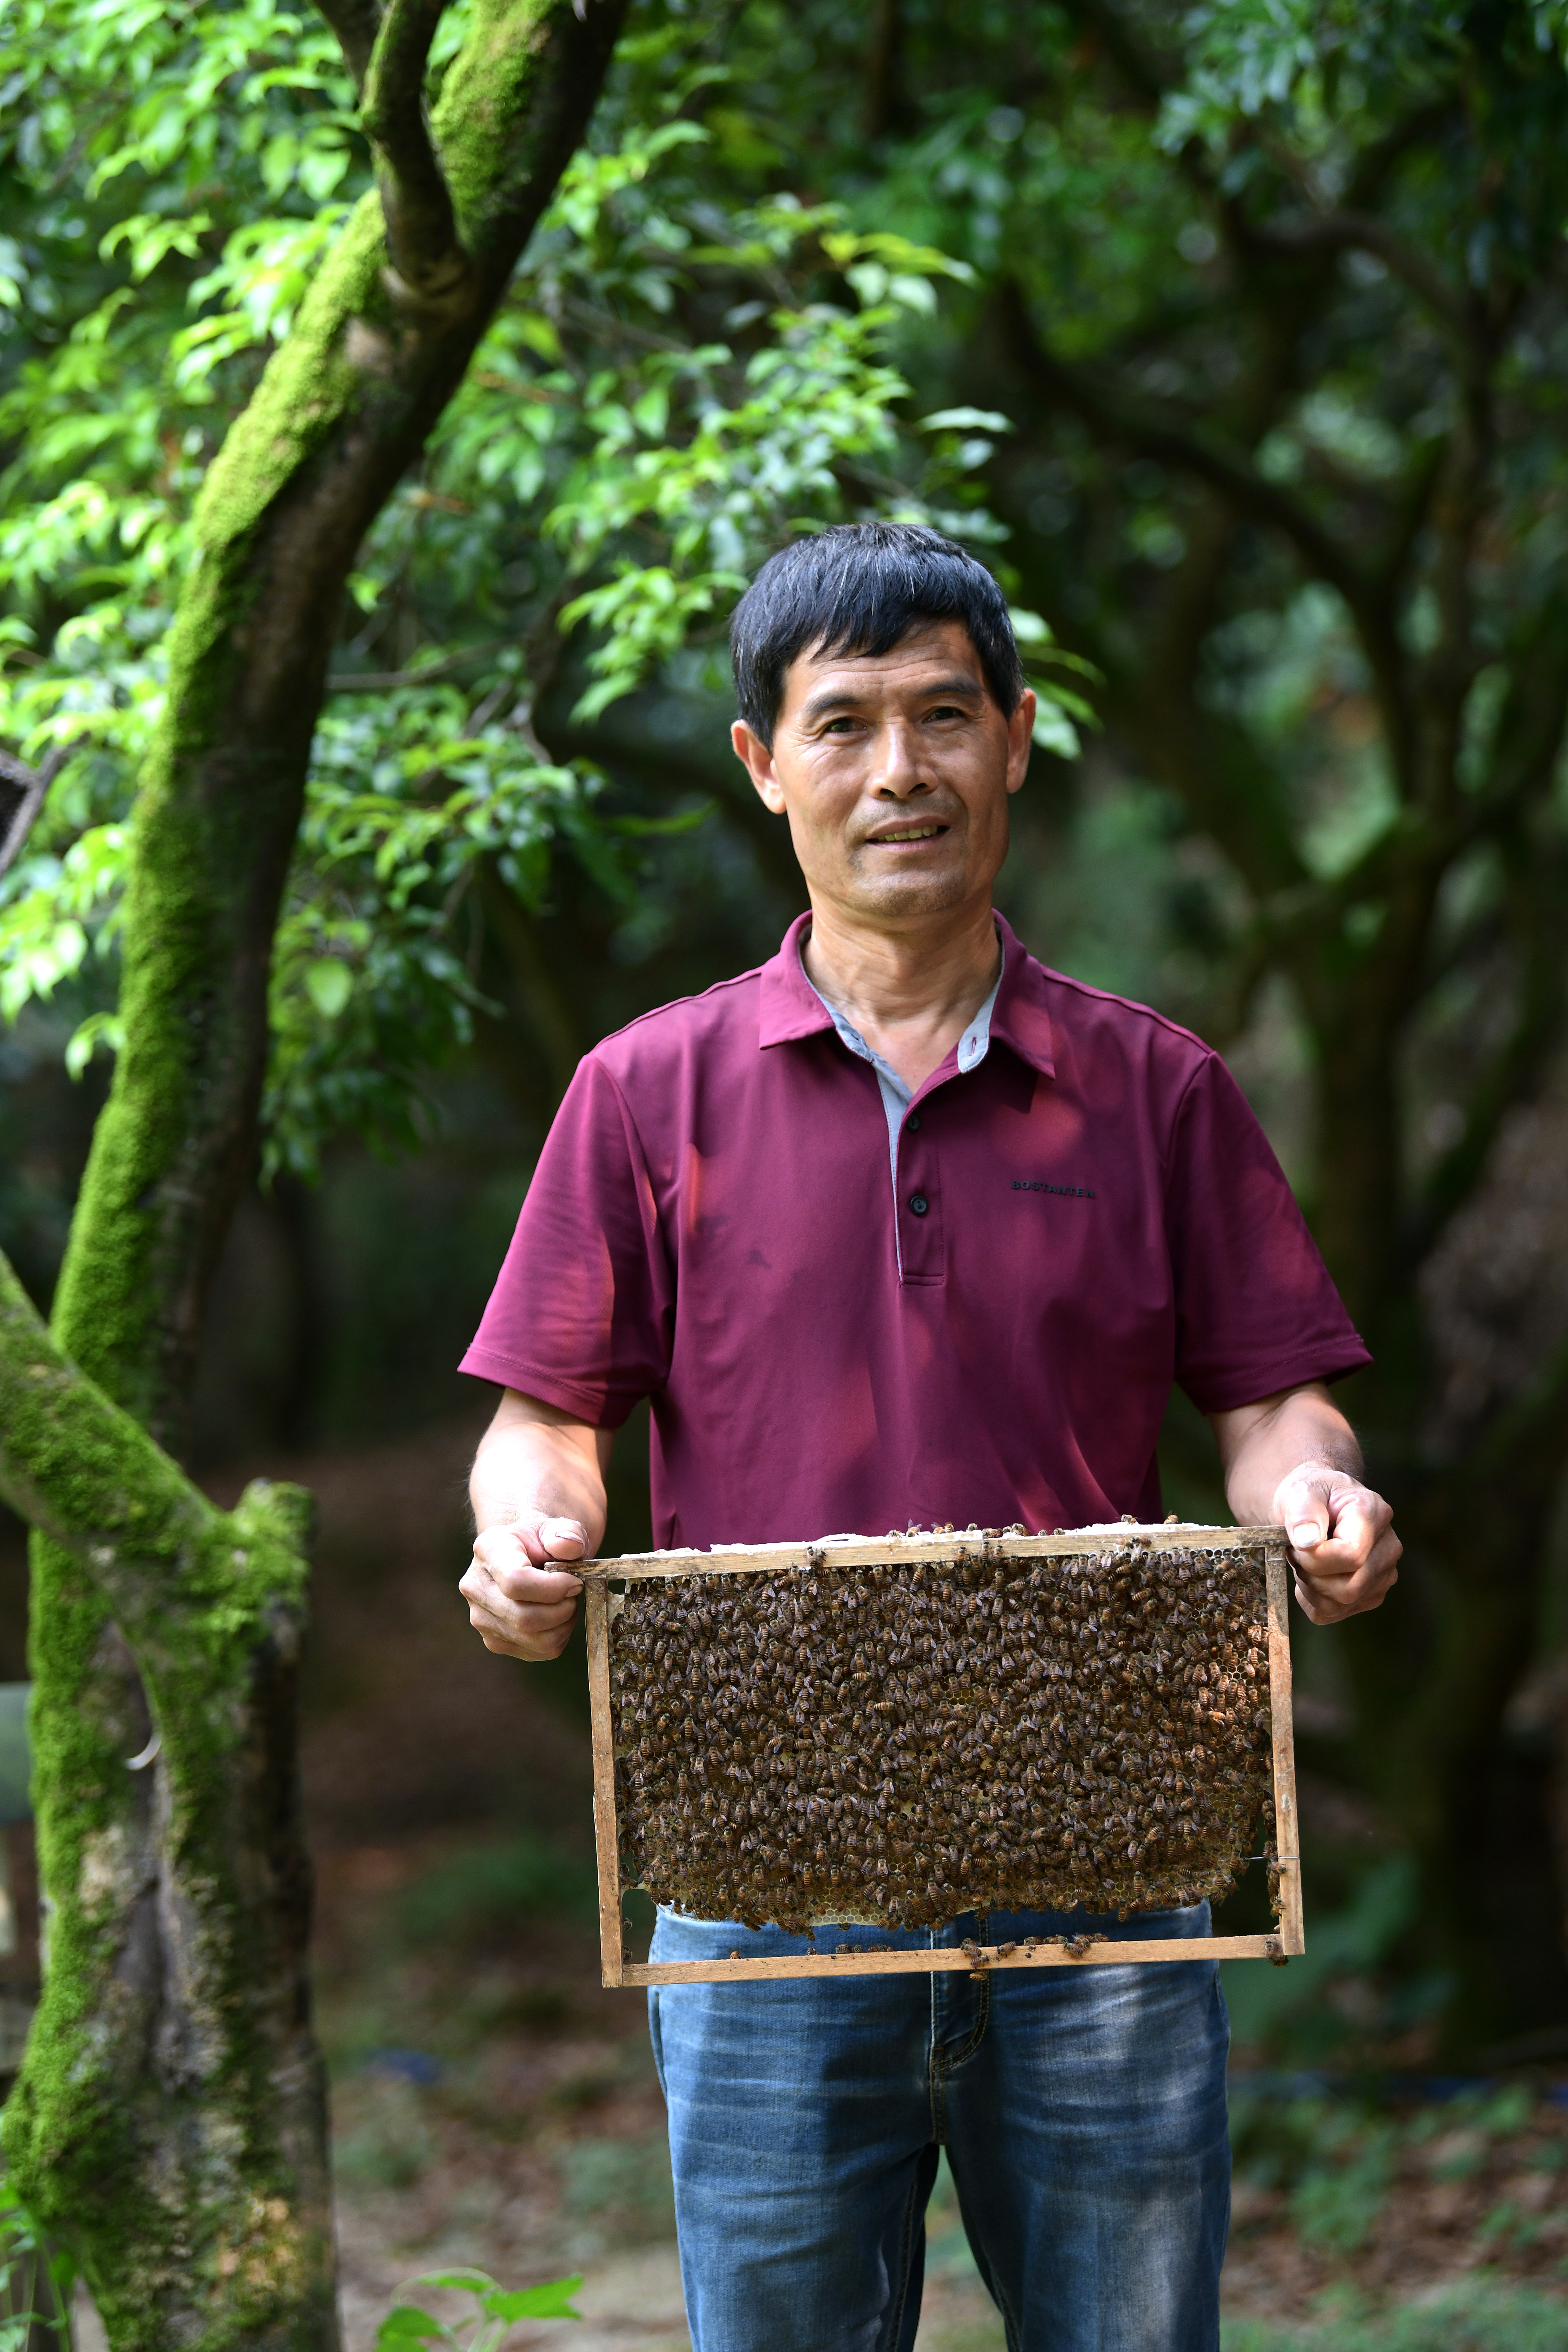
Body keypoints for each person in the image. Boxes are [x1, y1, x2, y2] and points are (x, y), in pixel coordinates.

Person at [457, 521, 1401, 2352]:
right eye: (843, 724)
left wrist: (1315, 1495)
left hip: (1108, 1899)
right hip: (759, 1897)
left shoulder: (1155, 1088)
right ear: (762, 764)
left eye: (942, 716)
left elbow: (1270, 1396)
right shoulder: (644, 1095)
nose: (899, 770)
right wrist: (526, 1539)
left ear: (1018, 737)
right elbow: (545, 1418)